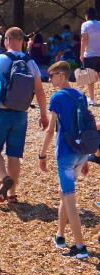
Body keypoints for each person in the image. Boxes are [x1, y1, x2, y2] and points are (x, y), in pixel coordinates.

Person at [0, 26, 48, 206]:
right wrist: (43, 115)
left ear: (6, 40)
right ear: (22, 41)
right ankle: (12, 195)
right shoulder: (31, 63)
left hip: (0, 111)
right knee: (14, 155)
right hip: (21, 114)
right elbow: (40, 91)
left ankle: (4, 177)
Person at [39, 61, 91, 260]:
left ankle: (80, 247)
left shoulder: (58, 97)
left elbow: (51, 130)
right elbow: (83, 126)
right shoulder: (80, 96)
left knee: (70, 200)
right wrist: (85, 158)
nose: (49, 80)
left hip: (66, 154)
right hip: (80, 152)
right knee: (64, 193)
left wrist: (42, 155)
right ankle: (60, 235)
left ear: (61, 75)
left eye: (51, 76)